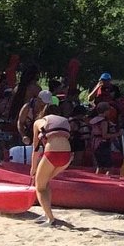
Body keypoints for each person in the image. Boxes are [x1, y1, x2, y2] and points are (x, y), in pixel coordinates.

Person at [30, 93, 75, 225]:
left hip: (52, 153)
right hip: (67, 156)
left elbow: (35, 148)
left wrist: (33, 168)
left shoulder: (39, 122)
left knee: (39, 187)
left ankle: (50, 218)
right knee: (46, 183)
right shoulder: (65, 121)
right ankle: (46, 213)